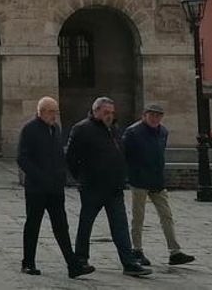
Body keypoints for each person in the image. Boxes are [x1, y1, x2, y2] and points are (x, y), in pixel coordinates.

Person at [65, 97, 152, 277]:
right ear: (95, 111)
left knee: (120, 226)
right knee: (86, 224)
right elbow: (71, 158)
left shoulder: (113, 129)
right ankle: (81, 258)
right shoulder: (82, 129)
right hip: (92, 188)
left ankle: (128, 262)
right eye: (106, 113)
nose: (110, 116)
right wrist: (81, 178)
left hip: (114, 188)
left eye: (112, 113)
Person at [17, 97, 94, 279]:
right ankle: (28, 263)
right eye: (52, 112)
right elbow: (22, 158)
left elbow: (58, 155)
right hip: (37, 188)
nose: (55, 115)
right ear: (41, 111)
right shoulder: (30, 129)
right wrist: (39, 177)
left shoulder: (55, 129)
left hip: (55, 188)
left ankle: (73, 265)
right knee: (33, 225)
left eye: (56, 112)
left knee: (61, 226)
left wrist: (62, 175)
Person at [122, 103, 196, 267]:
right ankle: (137, 250)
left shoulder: (163, 131)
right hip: (139, 180)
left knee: (166, 215)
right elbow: (124, 155)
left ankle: (174, 251)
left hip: (157, 180)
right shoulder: (132, 132)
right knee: (138, 217)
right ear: (144, 115)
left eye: (158, 115)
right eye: (152, 115)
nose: (155, 118)